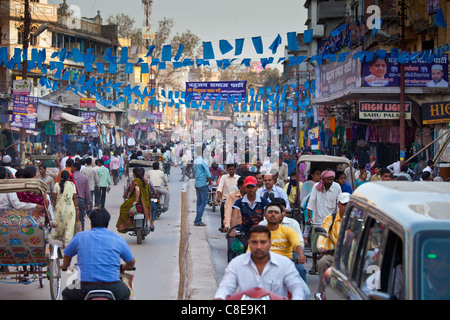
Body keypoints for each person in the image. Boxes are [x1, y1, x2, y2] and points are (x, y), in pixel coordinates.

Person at [214, 225, 310, 300]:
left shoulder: (284, 264)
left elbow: (296, 287)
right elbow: (226, 286)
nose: (259, 247)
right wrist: (220, 297)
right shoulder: (237, 263)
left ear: (270, 243)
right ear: (249, 243)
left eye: (263, 242)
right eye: (254, 242)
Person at [61, 207, 136, 300]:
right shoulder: (118, 240)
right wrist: (125, 267)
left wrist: (65, 266)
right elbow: (131, 262)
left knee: (66, 294)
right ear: (107, 224)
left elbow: (67, 255)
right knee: (126, 293)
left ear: (91, 223)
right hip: (112, 286)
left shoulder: (79, 237)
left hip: (84, 287)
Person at [259, 198, 307, 282]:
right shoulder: (261, 227)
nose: (273, 215)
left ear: (282, 213)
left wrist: (301, 255)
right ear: (265, 214)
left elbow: (297, 244)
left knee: (301, 272)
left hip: (289, 255)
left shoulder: (291, 226)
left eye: (277, 212)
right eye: (270, 212)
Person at [314, 192, 350, 300]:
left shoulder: (356, 220)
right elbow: (323, 233)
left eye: (348, 204)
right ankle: (321, 292)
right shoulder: (331, 218)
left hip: (350, 255)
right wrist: (321, 246)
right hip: (333, 253)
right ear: (338, 204)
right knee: (322, 263)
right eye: (344, 204)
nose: (346, 207)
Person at [306, 170, 341, 275]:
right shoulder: (316, 187)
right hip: (318, 220)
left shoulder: (337, 187)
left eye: (331, 179)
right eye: (327, 179)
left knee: (332, 243)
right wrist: (309, 218)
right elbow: (311, 202)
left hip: (331, 220)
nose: (330, 181)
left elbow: (339, 204)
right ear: (323, 179)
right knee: (315, 245)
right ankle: (314, 264)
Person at [231, 176, 270, 251]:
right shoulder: (239, 202)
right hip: (245, 232)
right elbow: (234, 216)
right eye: (248, 187)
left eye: (253, 187)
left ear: (257, 187)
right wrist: (233, 231)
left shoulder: (263, 201)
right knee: (236, 249)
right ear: (245, 188)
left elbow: (268, 215)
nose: (251, 189)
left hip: (260, 232)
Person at [117, 167, 156, 233]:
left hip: (135, 201)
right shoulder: (147, 181)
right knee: (154, 207)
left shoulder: (134, 181)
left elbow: (136, 190)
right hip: (146, 202)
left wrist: (135, 200)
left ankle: (127, 225)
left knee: (123, 207)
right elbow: (153, 190)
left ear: (134, 174)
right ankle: (152, 224)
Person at [52, 170, 79, 247]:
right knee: (69, 225)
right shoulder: (71, 184)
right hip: (70, 208)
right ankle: (67, 243)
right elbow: (75, 198)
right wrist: (77, 208)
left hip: (60, 209)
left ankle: (64, 241)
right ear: (68, 177)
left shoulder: (57, 185)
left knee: (62, 224)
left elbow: (54, 197)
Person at [216, 164, 240, 232]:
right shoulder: (224, 177)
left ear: (235, 170)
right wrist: (219, 196)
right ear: (227, 170)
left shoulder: (238, 178)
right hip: (226, 199)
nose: (231, 171)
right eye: (230, 170)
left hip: (236, 198)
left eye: (233, 169)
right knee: (223, 207)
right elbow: (220, 187)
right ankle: (223, 225)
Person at [193, 147, 211, 226]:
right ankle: (198, 220)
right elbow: (208, 173)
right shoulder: (203, 161)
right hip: (202, 183)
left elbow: (194, 171)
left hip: (197, 183)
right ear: (202, 152)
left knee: (199, 201)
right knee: (203, 202)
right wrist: (210, 181)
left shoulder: (195, 161)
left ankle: (198, 219)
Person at [71, 162, 91, 231]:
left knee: (71, 219)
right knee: (81, 219)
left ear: (74, 168)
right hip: (81, 201)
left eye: (72, 167)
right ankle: (81, 233)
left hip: (71, 200)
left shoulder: (70, 177)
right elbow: (87, 192)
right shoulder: (84, 178)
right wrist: (88, 203)